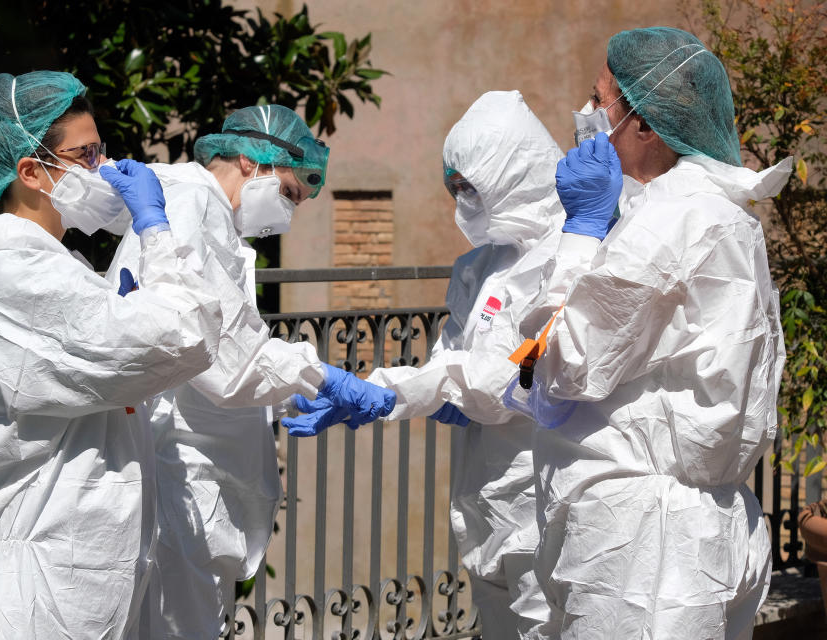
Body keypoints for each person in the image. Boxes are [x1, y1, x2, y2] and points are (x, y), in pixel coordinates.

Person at [0, 71, 224, 639]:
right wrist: (155, 230)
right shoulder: (15, 275)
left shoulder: (51, 270)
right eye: (86, 154)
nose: (104, 168)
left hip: (67, 576)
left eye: (101, 150)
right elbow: (186, 332)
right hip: (38, 588)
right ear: (31, 172)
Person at [522, 27, 791, 639]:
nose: (586, 114)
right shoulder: (719, 213)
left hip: (641, 550)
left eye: (599, 100)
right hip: (694, 534)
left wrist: (582, 231)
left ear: (643, 125)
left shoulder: (670, 220)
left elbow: (560, 361)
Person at [105, 103, 396, 638]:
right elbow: (221, 355)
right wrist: (321, 376)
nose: (288, 211)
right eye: (288, 192)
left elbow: (229, 346)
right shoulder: (192, 205)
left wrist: (290, 393)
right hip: (180, 474)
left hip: (198, 472)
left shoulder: (214, 217)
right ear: (249, 159)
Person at [347, 91, 565, 637]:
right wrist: (439, 384)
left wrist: (405, 390)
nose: (461, 200)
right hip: (485, 490)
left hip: (543, 491)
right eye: (455, 187)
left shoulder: (576, 254)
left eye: (471, 186)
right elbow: (454, 348)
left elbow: (527, 372)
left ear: (512, 171)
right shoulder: (479, 264)